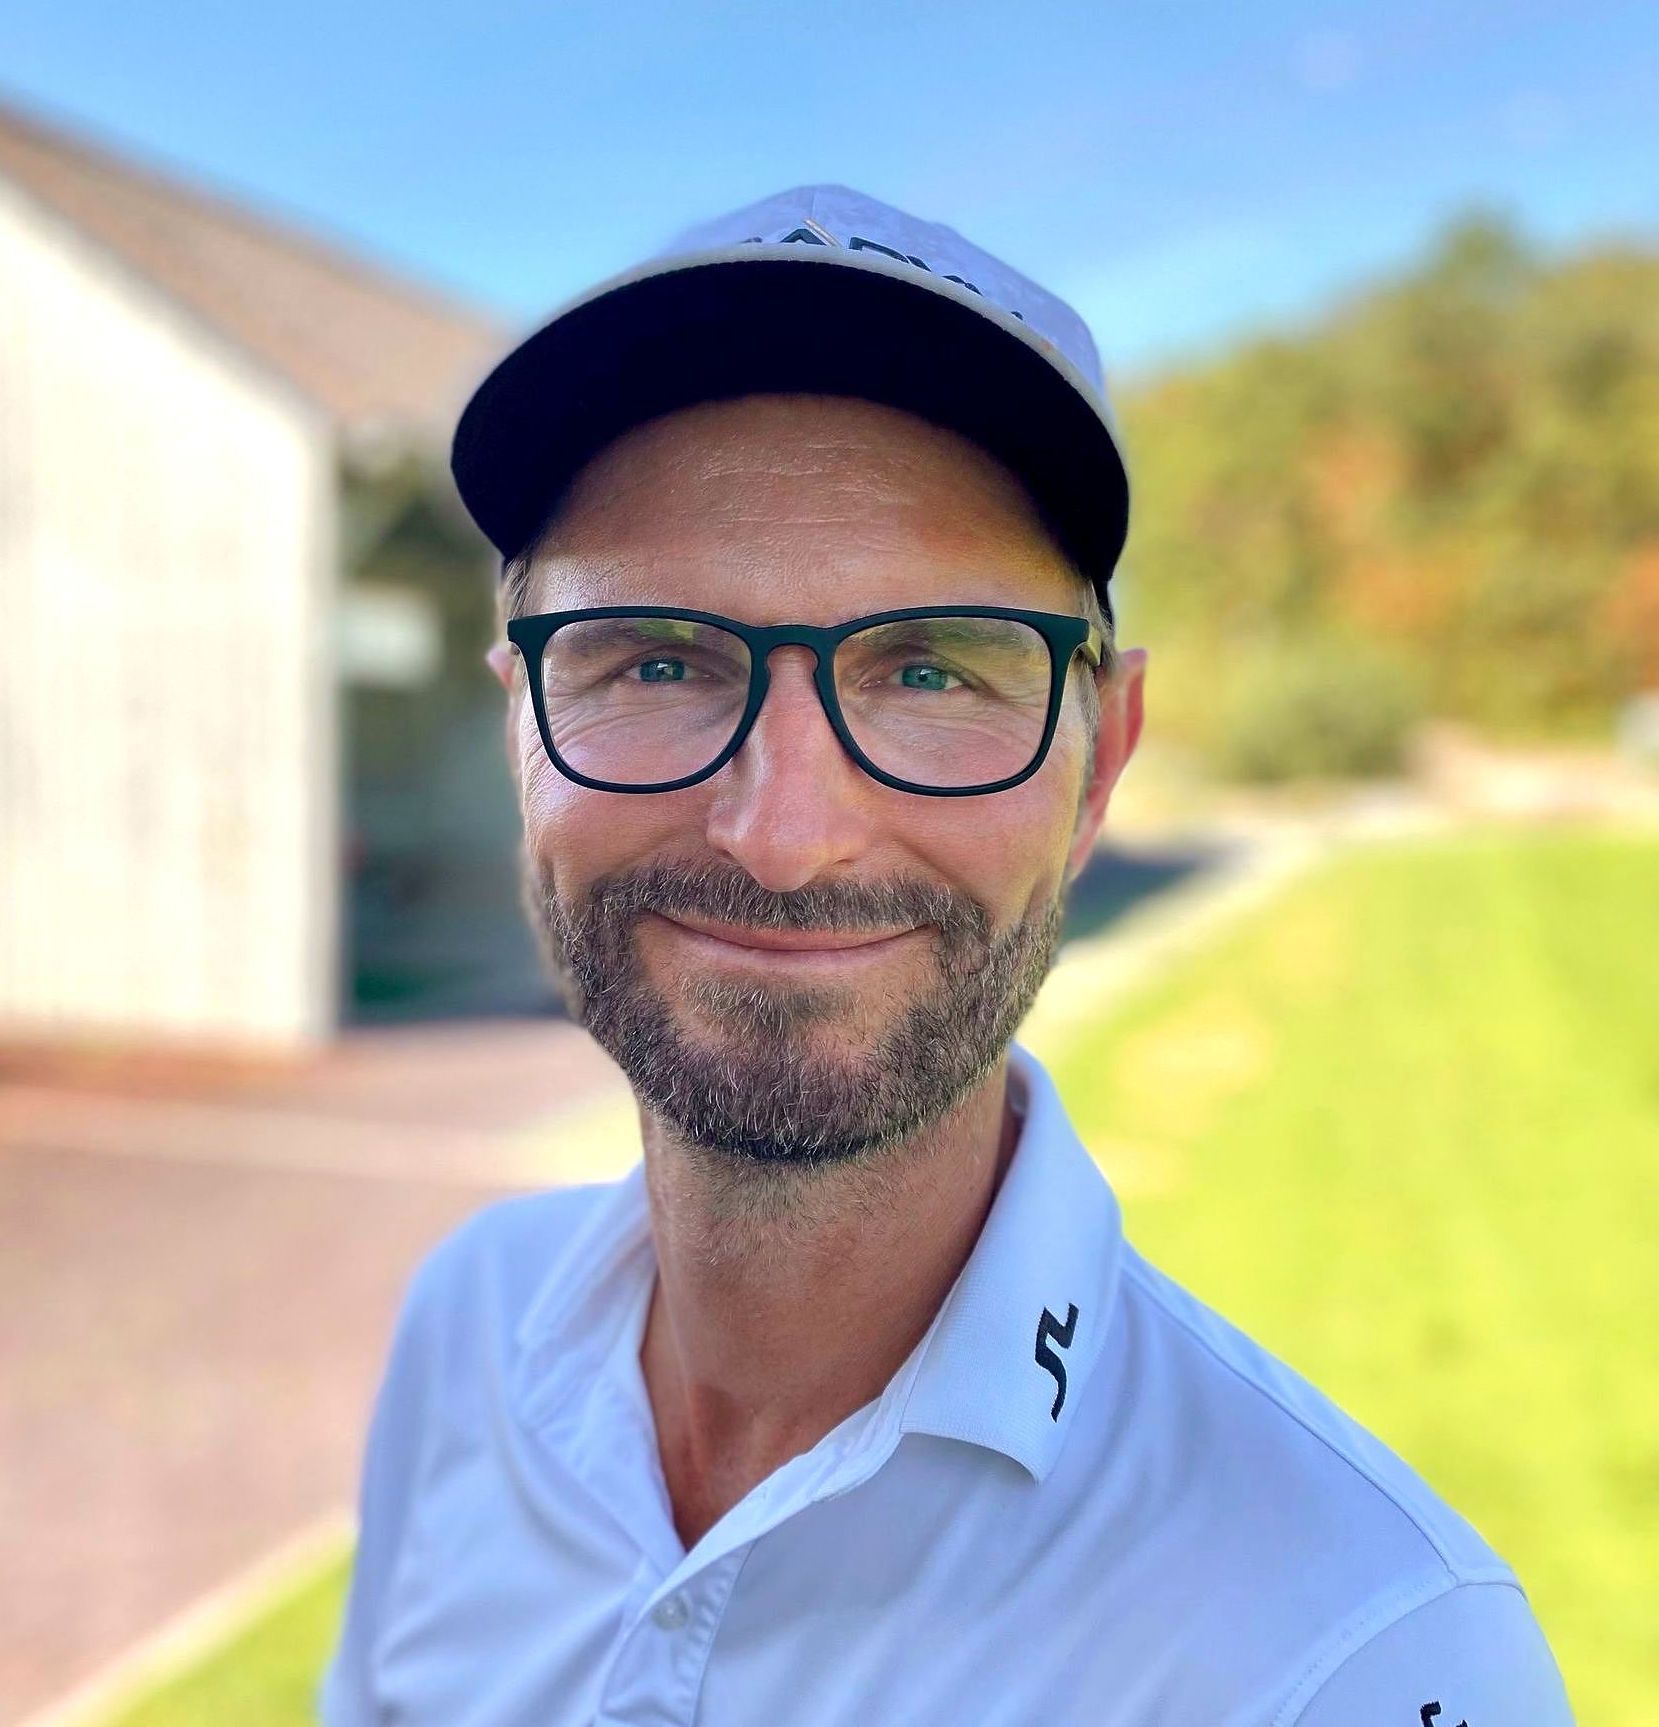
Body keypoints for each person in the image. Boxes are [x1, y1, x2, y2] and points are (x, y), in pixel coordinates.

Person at [320, 186, 1575, 1724]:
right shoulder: (466, 1332)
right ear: (523, 723)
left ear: (1100, 767)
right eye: (655, 660)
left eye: (929, 673)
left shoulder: (1363, 1654)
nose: (783, 837)